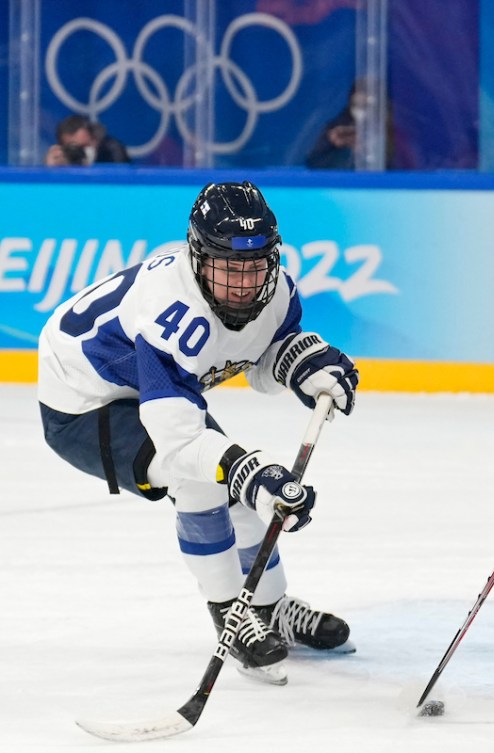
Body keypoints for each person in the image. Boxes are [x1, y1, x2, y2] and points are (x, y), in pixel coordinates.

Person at [38, 182, 359, 685]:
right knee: (200, 481)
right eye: (229, 267)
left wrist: (301, 362)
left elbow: (260, 358)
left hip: (147, 387)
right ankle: (230, 616)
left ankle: (271, 610)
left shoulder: (276, 291)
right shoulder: (172, 312)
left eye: (255, 266)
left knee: (237, 492)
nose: (244, 284)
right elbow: (180, 440)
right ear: (198, 257)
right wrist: (249, 472)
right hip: (85, 404)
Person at [45, 114, 131, 167]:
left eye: (84, 146)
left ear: (94, 139)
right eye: (73, 148)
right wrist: (51, 171)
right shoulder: (61, 161)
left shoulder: (112, 152)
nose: (80, 152)